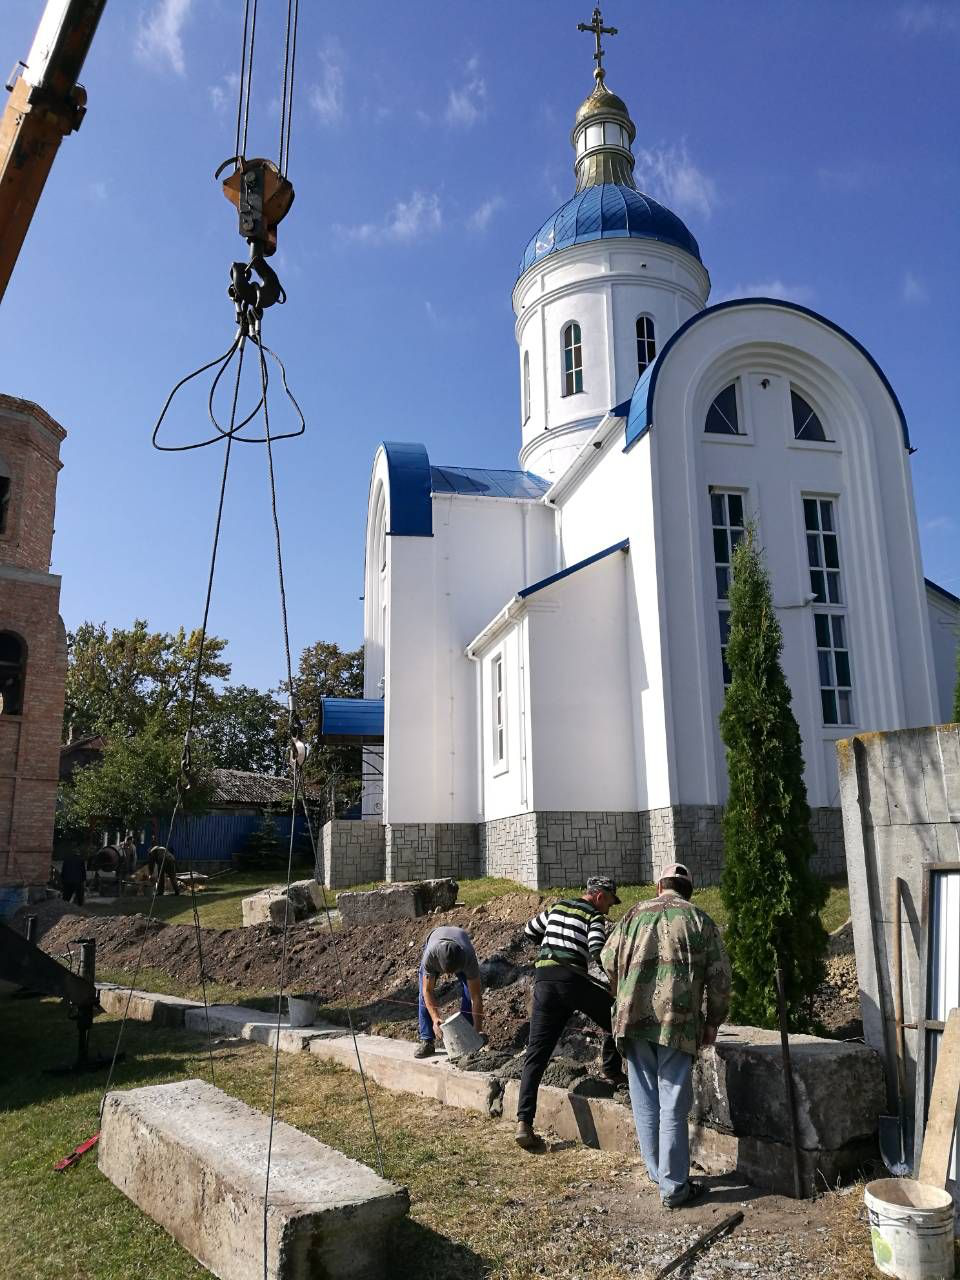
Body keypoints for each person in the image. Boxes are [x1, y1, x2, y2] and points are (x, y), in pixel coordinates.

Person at [601, 862, 731, 1209]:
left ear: (660, 887)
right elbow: (720, 977)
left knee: (644, 1100)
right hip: (677, 1021)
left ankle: (659, 1173)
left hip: (631, 1020)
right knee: (673, 1101)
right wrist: (713, 1021)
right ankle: (674, 1188)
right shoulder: (699, 920)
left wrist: (623, 992)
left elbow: (607, 958)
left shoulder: (632, 915)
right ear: (688, 891)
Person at [515, 875, 627, 1150]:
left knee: (536, 1053)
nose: (609, 909)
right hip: (572, 981)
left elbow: (529, 931)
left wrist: (552, 946)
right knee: (618, 1016)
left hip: (543, 981)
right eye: (610, 903)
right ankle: (612, 1071)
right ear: (600, 896)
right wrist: (616, 982)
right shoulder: (593, 915)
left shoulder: (556, 907)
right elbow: (598, 950)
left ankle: (523, 1123)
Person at [415, 925, 484, 1059]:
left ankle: (467, 1035)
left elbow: (476, 997)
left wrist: (478, 1029)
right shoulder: (430, 957)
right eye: (447, 972)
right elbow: (427, 991)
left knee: (468, 992)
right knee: (422, 996)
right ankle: (427, 1040)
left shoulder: (468, 957)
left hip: (460, 940)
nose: (450, 975)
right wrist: (435, 1019)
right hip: (435, 940)